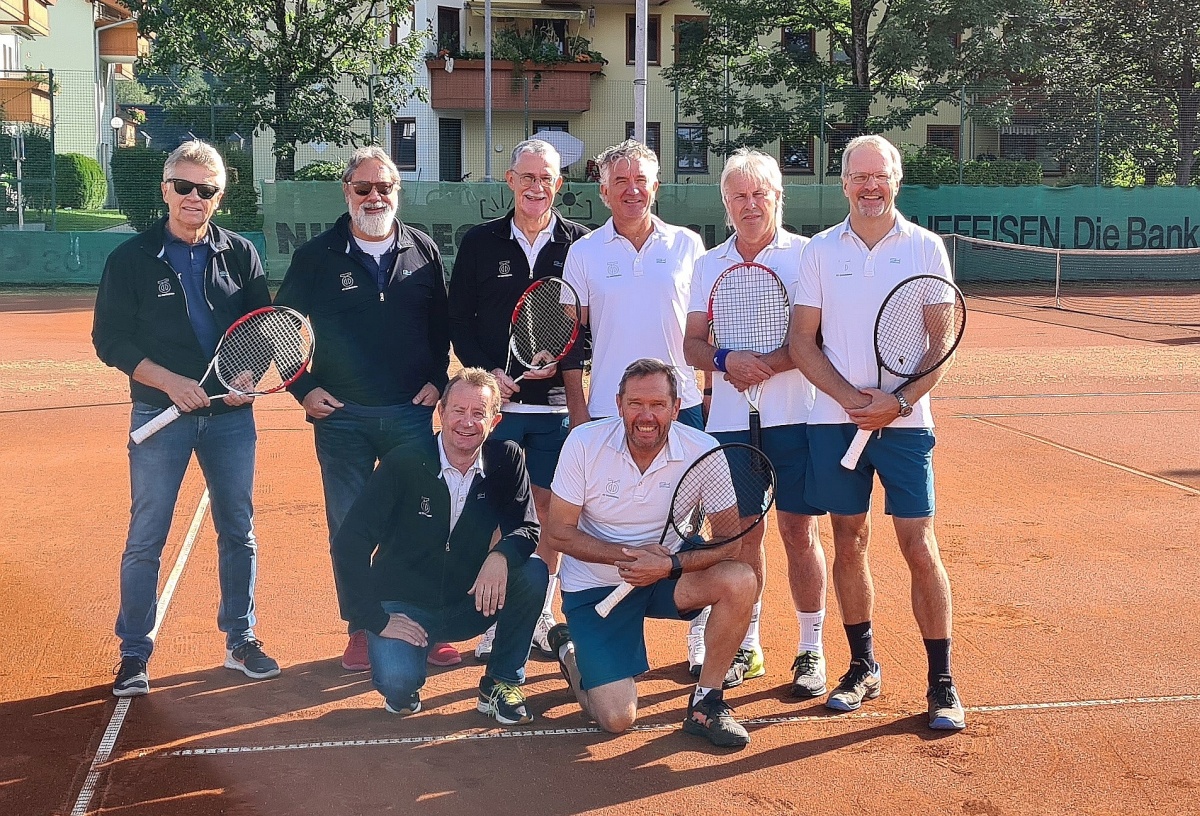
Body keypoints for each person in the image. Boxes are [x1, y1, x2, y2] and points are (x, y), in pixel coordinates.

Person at [788, 134, 966, 730]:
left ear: (897, 179)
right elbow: (801, 343)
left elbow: (941, 341)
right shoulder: (818, 251)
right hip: (836, 424)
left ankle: (941, 681)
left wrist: (900, 401)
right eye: (859, 176)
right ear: (844, 183)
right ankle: (863, 665)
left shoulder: (925, 248)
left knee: (919, 545)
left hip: (907, 426)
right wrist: (849, 401)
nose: (870, 186)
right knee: (848, 541)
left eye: (880, 175)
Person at [94, 140, 279, 697]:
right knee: (147, 534)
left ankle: (240, 639)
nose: (193, 198)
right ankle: (133, 653)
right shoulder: (128, 258)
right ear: (165, 190)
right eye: (184, 186)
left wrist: (247, 378)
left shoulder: (241, 253)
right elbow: (110, 340)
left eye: (207, 189)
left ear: (219, 197)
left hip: (227, 416)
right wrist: (170, 383)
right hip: (160, 411)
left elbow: (264, 327)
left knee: (238, 530)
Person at [274, 146, 452, 673]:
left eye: (385, 188)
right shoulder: (315, 256)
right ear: (346, 192)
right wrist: (302, 387)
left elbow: (438, 329)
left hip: (409, 414)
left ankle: (425, 622)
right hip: (342, 417)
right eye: (364, 188)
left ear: (398, 191)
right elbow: (280, 329)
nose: (375, 197)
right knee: (350, 524)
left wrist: (438, 380)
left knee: (419, 521)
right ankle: (361, 627)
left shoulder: (423, 249)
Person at [544, 358, 757, 748]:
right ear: (618, 404)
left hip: (667, 578)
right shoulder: (584, 443)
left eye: (658, 405)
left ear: (676, 408)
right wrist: (627, 557)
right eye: (636, 404)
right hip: (595, 588)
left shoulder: (703, 450)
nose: (647, 416)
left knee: (740, 579)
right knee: (615, 718)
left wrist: (669, 564)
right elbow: (558, 533)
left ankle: (706, 704)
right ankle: (571, 655)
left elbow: (731, 542)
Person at [683, 148, 828, 695]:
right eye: (738, 196)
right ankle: (747, 644)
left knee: (798, 531)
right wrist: (725, 361)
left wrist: (768, 363)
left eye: (759, 194)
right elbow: (693, 343)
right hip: (730, 425)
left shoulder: (807, 257)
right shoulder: (708, 265)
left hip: (797, 420)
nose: (749, 205)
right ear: (725, 203)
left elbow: (817, 340)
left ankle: (811, 649)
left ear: (777, 197)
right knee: (744, 536)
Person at [331, 369, 547, 723]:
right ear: (441, 412)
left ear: (495, 421)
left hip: (470, 599)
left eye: (479, 413)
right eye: (458, 411)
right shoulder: (403, 463)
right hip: (406, 606)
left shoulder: (506, 459)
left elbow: (527, 527)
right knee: (399, 687)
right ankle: (403, 679)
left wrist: (500, 556)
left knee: (532, 571)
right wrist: (374, 617)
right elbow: (349, 543)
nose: (467, 422)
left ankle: (501, 682)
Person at [448, 139, 590, 662]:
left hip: (553, 408)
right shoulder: (481, 243)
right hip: (497, 409)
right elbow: (458, 320)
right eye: (526, 177)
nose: (536, 187)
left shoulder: (581, 245)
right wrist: (488, 374)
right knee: (495, 509)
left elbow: (585, 322)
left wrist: (566, 358)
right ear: (510, 181)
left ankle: (536, 613)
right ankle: (493, 618)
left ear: (558, 184)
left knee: (551, 513)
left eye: (546, 178)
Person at [561, 140, 705, 431]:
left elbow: (706, 327)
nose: (632, 189)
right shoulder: (582, 251)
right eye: (621, 181)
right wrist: (577, 407)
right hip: (608, 404)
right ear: (604, 191)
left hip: (681, 403)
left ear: (655, 187)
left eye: (641, 180)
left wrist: (710, 392)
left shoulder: (688, 244)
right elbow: (571, 337)